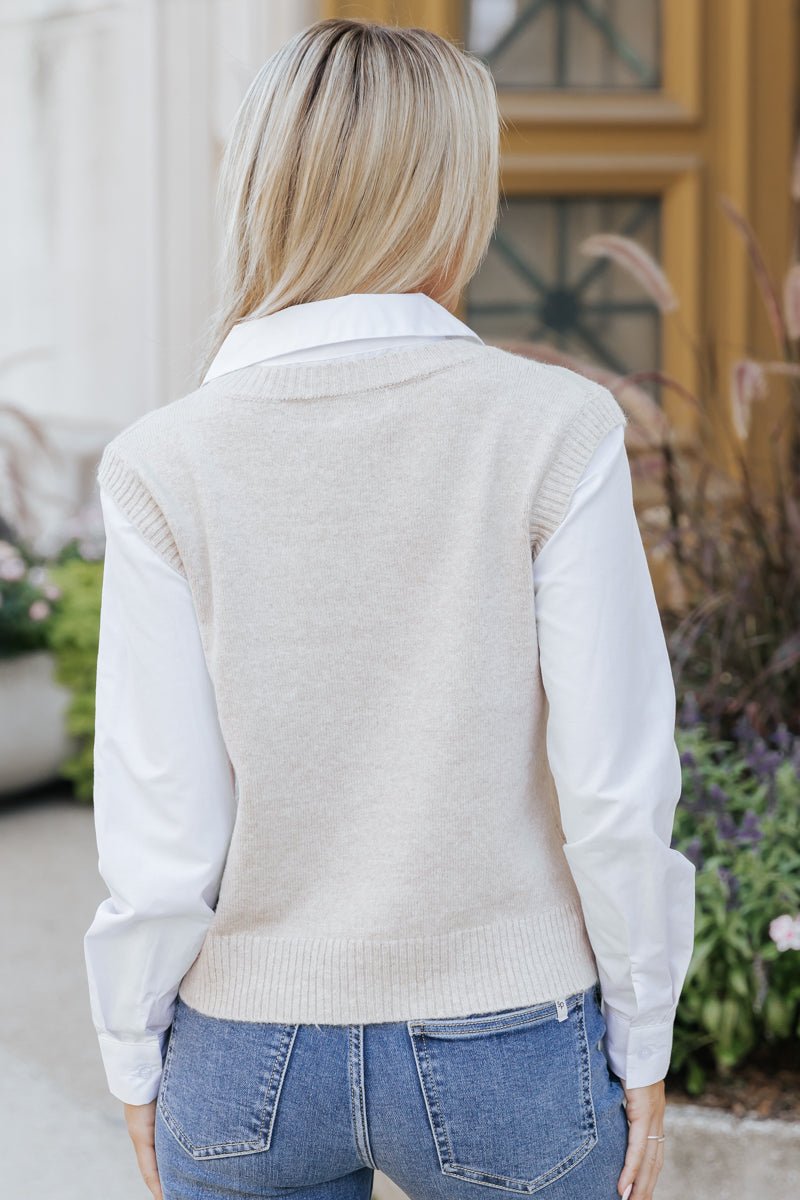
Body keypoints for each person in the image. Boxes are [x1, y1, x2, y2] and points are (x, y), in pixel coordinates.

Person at [83, 17, 696, 1200]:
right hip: (510, 1041)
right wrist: (642, 1037)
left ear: (264, 185)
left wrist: (130, 1054)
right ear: (450, 194)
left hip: (244, 1052)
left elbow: (160, 836)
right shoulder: (554, 430)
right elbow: (614, 789)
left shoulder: (163, 461)